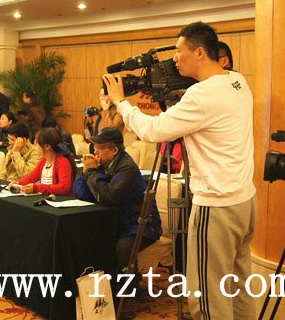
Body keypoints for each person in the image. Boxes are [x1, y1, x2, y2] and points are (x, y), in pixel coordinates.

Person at [102, 21, 257, 320]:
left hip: (216, 207)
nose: (174, 58)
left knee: (208, 297)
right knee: (238, 288)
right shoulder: (238, 81)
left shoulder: (202, 96)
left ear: (199, 52)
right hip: (245, 202)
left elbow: (152, 130)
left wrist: (121, 102)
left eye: (178, 50)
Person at [74, 127, 162, 317]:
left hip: (142, 224)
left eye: (100, 148)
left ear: (114, 150)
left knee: (123, 248)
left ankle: (127, 297)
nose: (95, 152)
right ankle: (106, 293)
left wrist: (91, 172)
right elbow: (82, 194)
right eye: (94, 147)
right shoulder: (104, 164)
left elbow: (109, 197)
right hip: (119, 222)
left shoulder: (126, 168)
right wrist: (86, 171)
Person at [7, 127, 75, 196]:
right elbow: (30, 178)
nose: (35, 146)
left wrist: (37, 188)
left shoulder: (62, 162)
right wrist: (18, 183)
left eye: (37, 143)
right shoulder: (43, 162)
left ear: (47, 146)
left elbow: (64, 188)